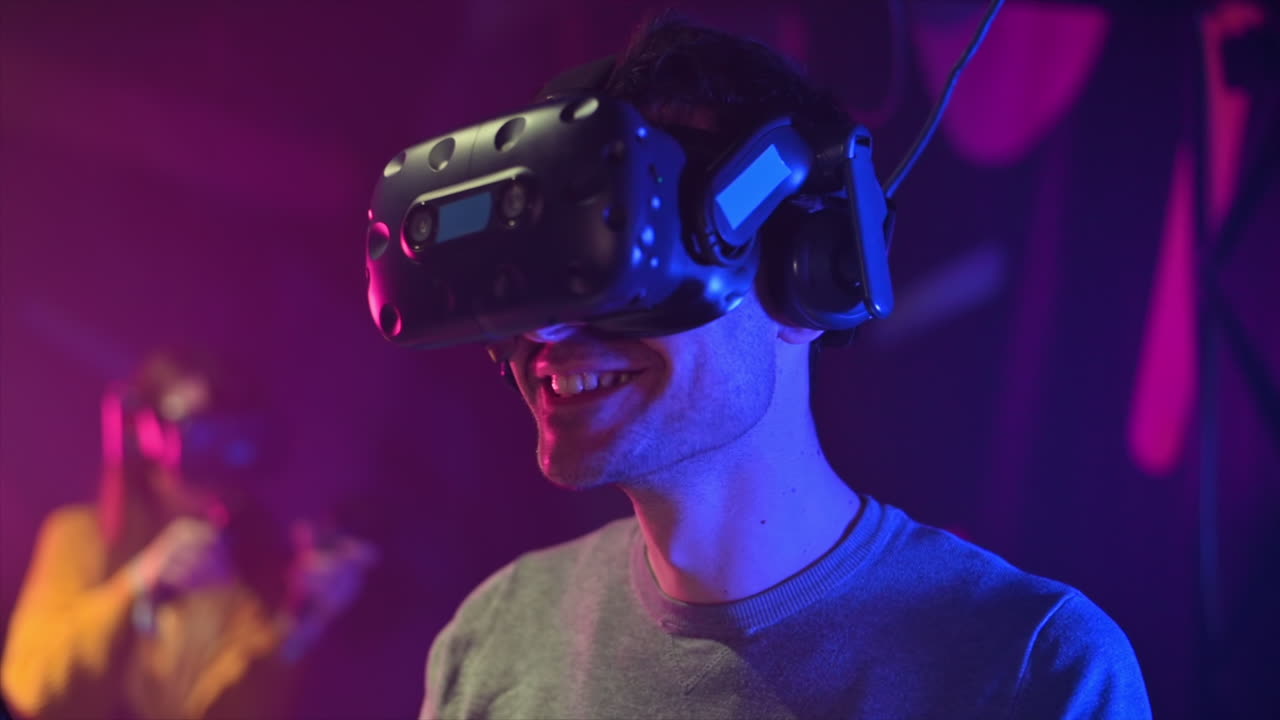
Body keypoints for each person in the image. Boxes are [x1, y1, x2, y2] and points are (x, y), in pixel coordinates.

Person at [418, 15, 1152, 720]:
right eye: (550, 277)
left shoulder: (1031, 670)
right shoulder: (493, 642)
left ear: (809, 281)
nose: (548, 331)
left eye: (631, 269)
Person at [1, 348, 376, 719]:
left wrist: (300, 625)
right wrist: (137, 584)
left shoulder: (247, 579)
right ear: (145, 436)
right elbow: (33, 690)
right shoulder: (81, 536)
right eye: (202, 434)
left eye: (234, 438)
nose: (219, 462)